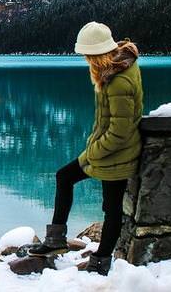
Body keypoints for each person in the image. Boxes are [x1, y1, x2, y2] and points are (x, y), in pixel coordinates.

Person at [28, 22, 143, 276]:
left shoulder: (119, 81)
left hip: (116, 154)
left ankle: (101, 261)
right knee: (64, 176)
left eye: (87, 55)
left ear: (98, 54)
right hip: (106, 151)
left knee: (111, 209)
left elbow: (119, 132)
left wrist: (92, 152)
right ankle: (56, 240)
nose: (85, 59)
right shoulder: (115, 70)